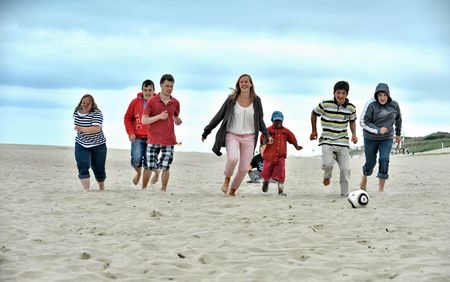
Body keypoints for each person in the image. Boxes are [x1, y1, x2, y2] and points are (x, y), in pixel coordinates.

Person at [202, 74, 272, 196]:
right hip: (232, 135)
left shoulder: (257, 101)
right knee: (233, 158)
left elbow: (260, 120)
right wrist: (207, 130)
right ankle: (227, 178)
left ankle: (232, 191)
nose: (244, 84)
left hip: (250, 137)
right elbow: (220, 115)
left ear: (251, 84)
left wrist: (267, 135)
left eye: (246, 82)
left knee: (244, 169)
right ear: (238, 85)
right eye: (241, 82)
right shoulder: (231, 99)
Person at [310, 81, 358, 196]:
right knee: (328, 164)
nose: (340, 96)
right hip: (327, 140)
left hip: (343, 141)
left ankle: (345, 194)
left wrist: (354, 134)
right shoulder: (325, 104)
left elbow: (352, 121)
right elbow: (313, 113)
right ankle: (327, 177)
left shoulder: (351, 108)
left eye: (343, 93)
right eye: (338, 93)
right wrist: (314, 130)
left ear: (347, 94)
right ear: (334, 92)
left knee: (346, 170)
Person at [142, 74, 182, 192]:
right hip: (153, 138)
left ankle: (163, 190)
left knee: (166, 166)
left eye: (171, 86)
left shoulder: (175, 102)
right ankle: (143, 189)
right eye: (167, 86)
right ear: (161, 85)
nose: (169, 88)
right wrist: (159, 116)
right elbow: (144, 121)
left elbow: (175, 116)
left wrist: (177, 120)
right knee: (149, 166)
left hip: (169, 139)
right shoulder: (152, 101)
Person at [359, 83, 402, 192]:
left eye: (384, 95)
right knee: (370, 162)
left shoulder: (394, 104)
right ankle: (365, 176)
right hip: (370, 137)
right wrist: (378, 130)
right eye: (380, 95)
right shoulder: (370, 104)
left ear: (388, 95)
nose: (382, 98)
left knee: (384, 159)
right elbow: (363, 122)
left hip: (386, 138)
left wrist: (398, 134)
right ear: (376, 95)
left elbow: (398, 119)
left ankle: (381, 189)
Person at [124, 79, 160, 189]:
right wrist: (130, 133)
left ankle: (144, 187)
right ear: (142, 90)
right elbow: (127, 118)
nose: (148, 92)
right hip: (137, 137)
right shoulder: (134, 102)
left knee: (149, 163)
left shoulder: (159, 103)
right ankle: (139, 173)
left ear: (154, 90)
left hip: (152, 139)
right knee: (136, 160)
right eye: (145, 90)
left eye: (150, 90)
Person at [261, 111, 302, 196]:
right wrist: (265, 141)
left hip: (280, 157)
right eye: (276, 121)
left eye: (280, 121)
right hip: (269, 157)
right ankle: (266, 182)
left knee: (281, 174)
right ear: (272, 120)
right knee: (266, 172)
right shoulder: (268, 130)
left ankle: (280, 191)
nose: (278, 123)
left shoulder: (285, 131)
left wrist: (297, 147)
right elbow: (262, 140)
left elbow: (293, 139)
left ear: (282, 121)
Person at [73, 94, 107, 192]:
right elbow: (78, 128)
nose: (86, 105)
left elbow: (96, 129)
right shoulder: (77, 113)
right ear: (81, 103)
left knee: (98, 168)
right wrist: (81, 130)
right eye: (84, 103)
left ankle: (101, 186)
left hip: (98, 144)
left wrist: (81, 128)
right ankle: (86, 190)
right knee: (82, 164)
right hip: (81, 143)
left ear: (92, 104)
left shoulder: (97, 113)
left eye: (88, 103)